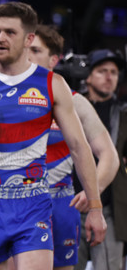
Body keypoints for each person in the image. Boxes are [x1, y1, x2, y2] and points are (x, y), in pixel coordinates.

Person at [0, 2, 106, 270]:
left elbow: (80, 148)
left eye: (10, 32)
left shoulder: (52, 84)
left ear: (29, 38)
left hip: (32, 207)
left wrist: (95, 208)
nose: (0, 38)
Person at [28, 24, 119, 270]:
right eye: (26, 48)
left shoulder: (74, 101)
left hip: (59, 204)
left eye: (35, 50)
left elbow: (109, 155)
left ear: (53, 60)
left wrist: (93, 193)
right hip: (7, 201)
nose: (27, 55)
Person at [75, 48, 127, 270]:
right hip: (68, 203)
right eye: (102, 71)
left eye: (114, 72)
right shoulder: (69, 106)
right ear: (87, 76)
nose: (109, 77)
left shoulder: (124, 114)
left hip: (110, 209)